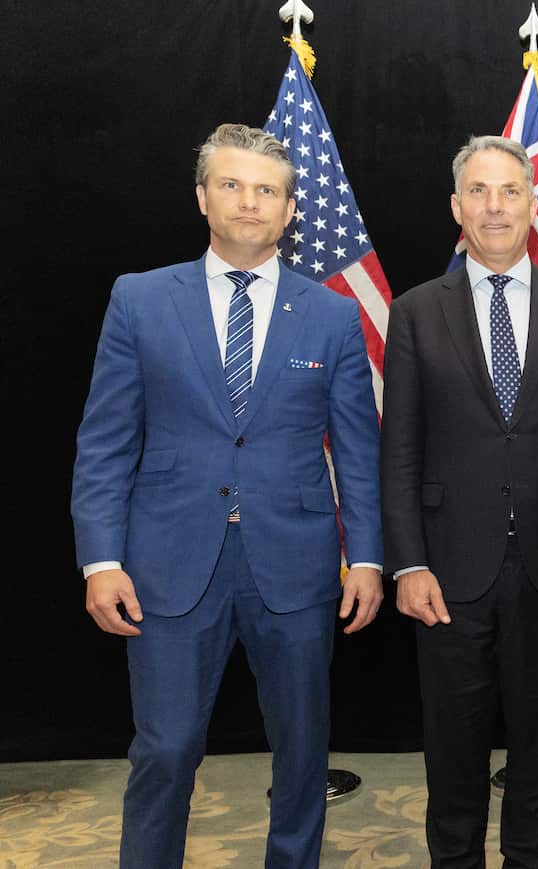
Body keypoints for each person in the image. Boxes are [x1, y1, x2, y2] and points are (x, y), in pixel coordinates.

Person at [71, 123, 384, 868]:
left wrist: (369, 558)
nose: (249, 201)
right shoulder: (140, 298)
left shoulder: (333, 315)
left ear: (290, 210)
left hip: (297, 564)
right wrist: (99, 562)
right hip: (168, 563)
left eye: (267, 190)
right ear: (203, 197)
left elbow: (358, 451)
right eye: (232, 185)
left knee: (303, 749)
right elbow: (106, 440)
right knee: (166, 749)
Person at [380, 135, 538, 867]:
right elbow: (400, 449)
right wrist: (408, 563)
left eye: (510, 191)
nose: (495, 206)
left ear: (532, 206)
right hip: (447, 569)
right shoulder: (415, 311)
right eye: (479, 192)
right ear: (457, 207)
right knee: (452, 749)